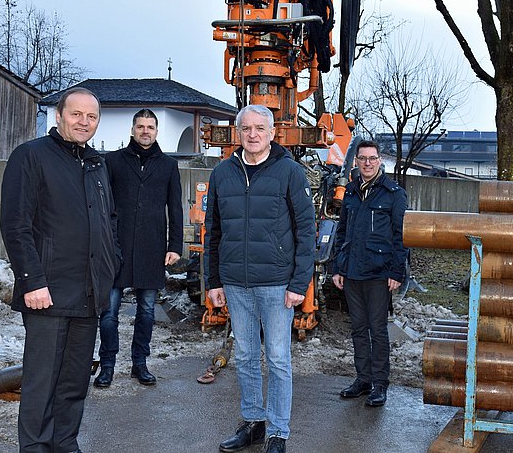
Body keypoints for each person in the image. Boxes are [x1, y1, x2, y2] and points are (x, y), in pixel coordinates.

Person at [0, 87, 119, 452]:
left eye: (92, 117)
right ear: (59, 116)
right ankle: (35, 447)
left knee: (74, 381)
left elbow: (108, 221)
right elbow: (15, 224)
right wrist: (32, 281)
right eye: (76, 114)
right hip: (47, 294)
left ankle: (65, 442)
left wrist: (112, 265)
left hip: (89, 294)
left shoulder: (97, 164)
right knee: (42, 382)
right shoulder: (31, 156)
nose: (84, 122)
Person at [204, 104, 314, 453]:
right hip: (236, 283)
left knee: (279, 359)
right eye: (246, 128)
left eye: (259, 128)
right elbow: (214, 231)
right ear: (238, 133)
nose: (252, 134)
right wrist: (214, 281)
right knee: (248, 356)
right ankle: (253, 422)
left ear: (271, 133)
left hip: (277, 285)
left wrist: (299, 284)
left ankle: (278, 432)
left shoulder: (289, 172)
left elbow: (306, 231)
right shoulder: (223, 174)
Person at [93, 109, 183, 388]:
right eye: (140, 126)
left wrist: (175, 246)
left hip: (152, 248)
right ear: (132, 129)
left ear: (157, 132)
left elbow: (176, 208)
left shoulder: (169, 166)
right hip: (115, 248)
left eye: (151, 127)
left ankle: (139, 364)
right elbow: (101, 203)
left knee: (146, 312)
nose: (146, 131)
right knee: (108, 312)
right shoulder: (112, 161)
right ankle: (107, 365)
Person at [332, 140, 408, 407]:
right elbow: (341, 233)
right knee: (358, 329)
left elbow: (401, 236)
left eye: (372, 158)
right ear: (356, 162)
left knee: (378, 330)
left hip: (378, 273)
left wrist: (397, 271)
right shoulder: (350, 192)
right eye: (362, 158)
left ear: (380, 161)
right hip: (352, 272)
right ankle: (363, 379)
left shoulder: (393, 193)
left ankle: (380, 384)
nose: (367, 163)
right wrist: (338, 268)